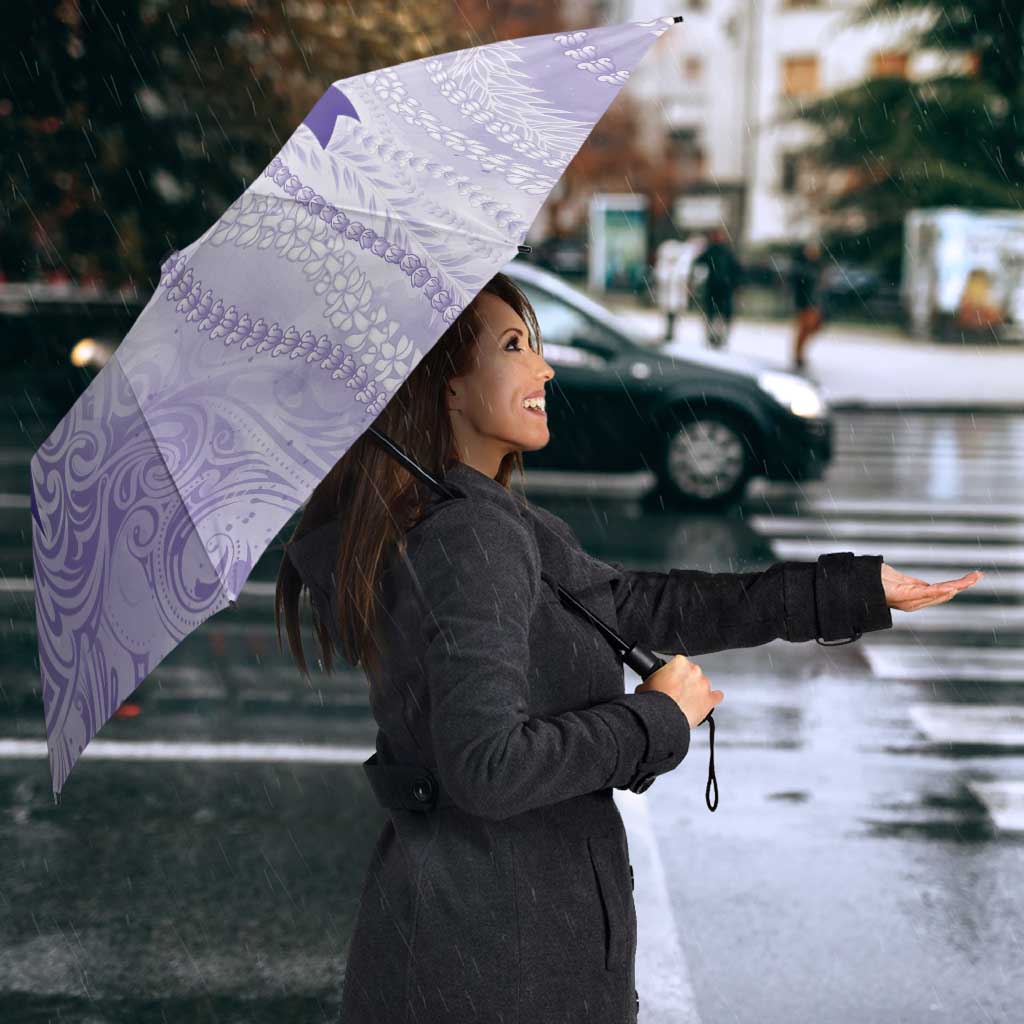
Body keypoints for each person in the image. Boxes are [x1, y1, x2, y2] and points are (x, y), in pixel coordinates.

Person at [275, 272, 976, 1024]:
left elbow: (639, 605)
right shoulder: (469, 537)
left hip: (483, 941)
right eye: (514, 346)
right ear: (445, 386)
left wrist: (849, 590)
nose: (544, 368)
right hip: (499, 963)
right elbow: (487, 768)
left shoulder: (476, 517)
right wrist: (656, 719)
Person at [692, 226, 742, 349]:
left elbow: (736, 270)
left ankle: (719, 337)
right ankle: (713, 337)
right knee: (713, 314)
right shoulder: (712, 251)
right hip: (715, 288)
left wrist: (735, 284)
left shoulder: (725, 252)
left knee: (720, 315)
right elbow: (698, 264)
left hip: (723, 288)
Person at [790, 239, 826, 370]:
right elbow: (799, 286)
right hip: (805, 303)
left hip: (814, 303)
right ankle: (798, 355)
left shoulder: (817, 266)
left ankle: (799, 354)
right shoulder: (802, 267)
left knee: (812, 328)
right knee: (804, 329)